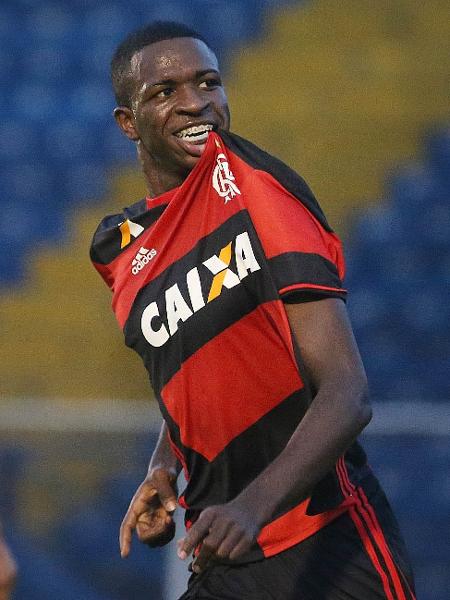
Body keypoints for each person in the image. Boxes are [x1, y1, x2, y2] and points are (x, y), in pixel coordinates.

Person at [90, 21, 416, 599]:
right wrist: (163, 466)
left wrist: (251, 508)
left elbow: (347, 394)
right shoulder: (118, 251)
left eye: (207, 82)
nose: (195, 102)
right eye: (164, 91)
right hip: (223, 556)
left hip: (331, 547)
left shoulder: (260, 192)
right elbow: (194, 372)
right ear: (127, 122)